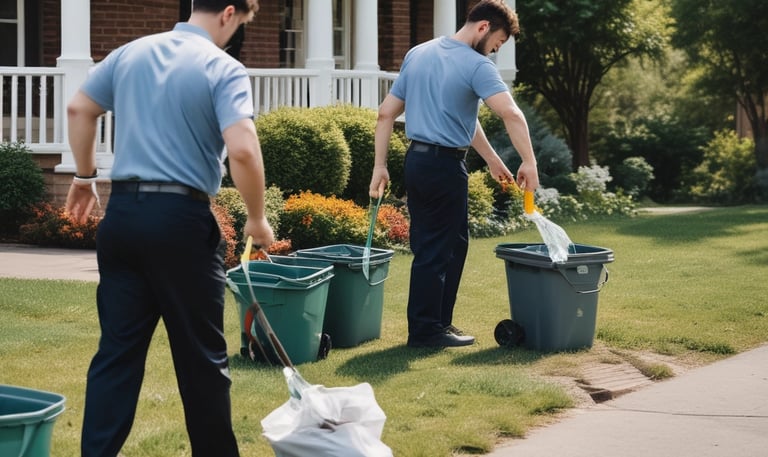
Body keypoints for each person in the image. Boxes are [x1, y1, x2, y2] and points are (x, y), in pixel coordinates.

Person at [65, 1, 273, 455]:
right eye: (237, 25)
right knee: (202, 359)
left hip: (122, 217)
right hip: (180, 221)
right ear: (229, 12)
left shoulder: (130, 53)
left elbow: (79, 108)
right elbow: (241, 148)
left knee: (116, 356)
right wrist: (256, 217)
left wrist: (84, 176)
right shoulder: (223, 67)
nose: (233, 35)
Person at [369, 0, 540, 348]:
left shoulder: (419, 53)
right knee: (436, 248)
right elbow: (511, 114)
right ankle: (425, 330)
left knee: (451, 244)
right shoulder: (477, 65)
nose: (495, 50)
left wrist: (380, 165)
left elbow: (387, 113)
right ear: (483, 28)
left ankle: (437, 324)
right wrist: (529, 162)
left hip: (417, 162)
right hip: (444, 167)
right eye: (499, 42)